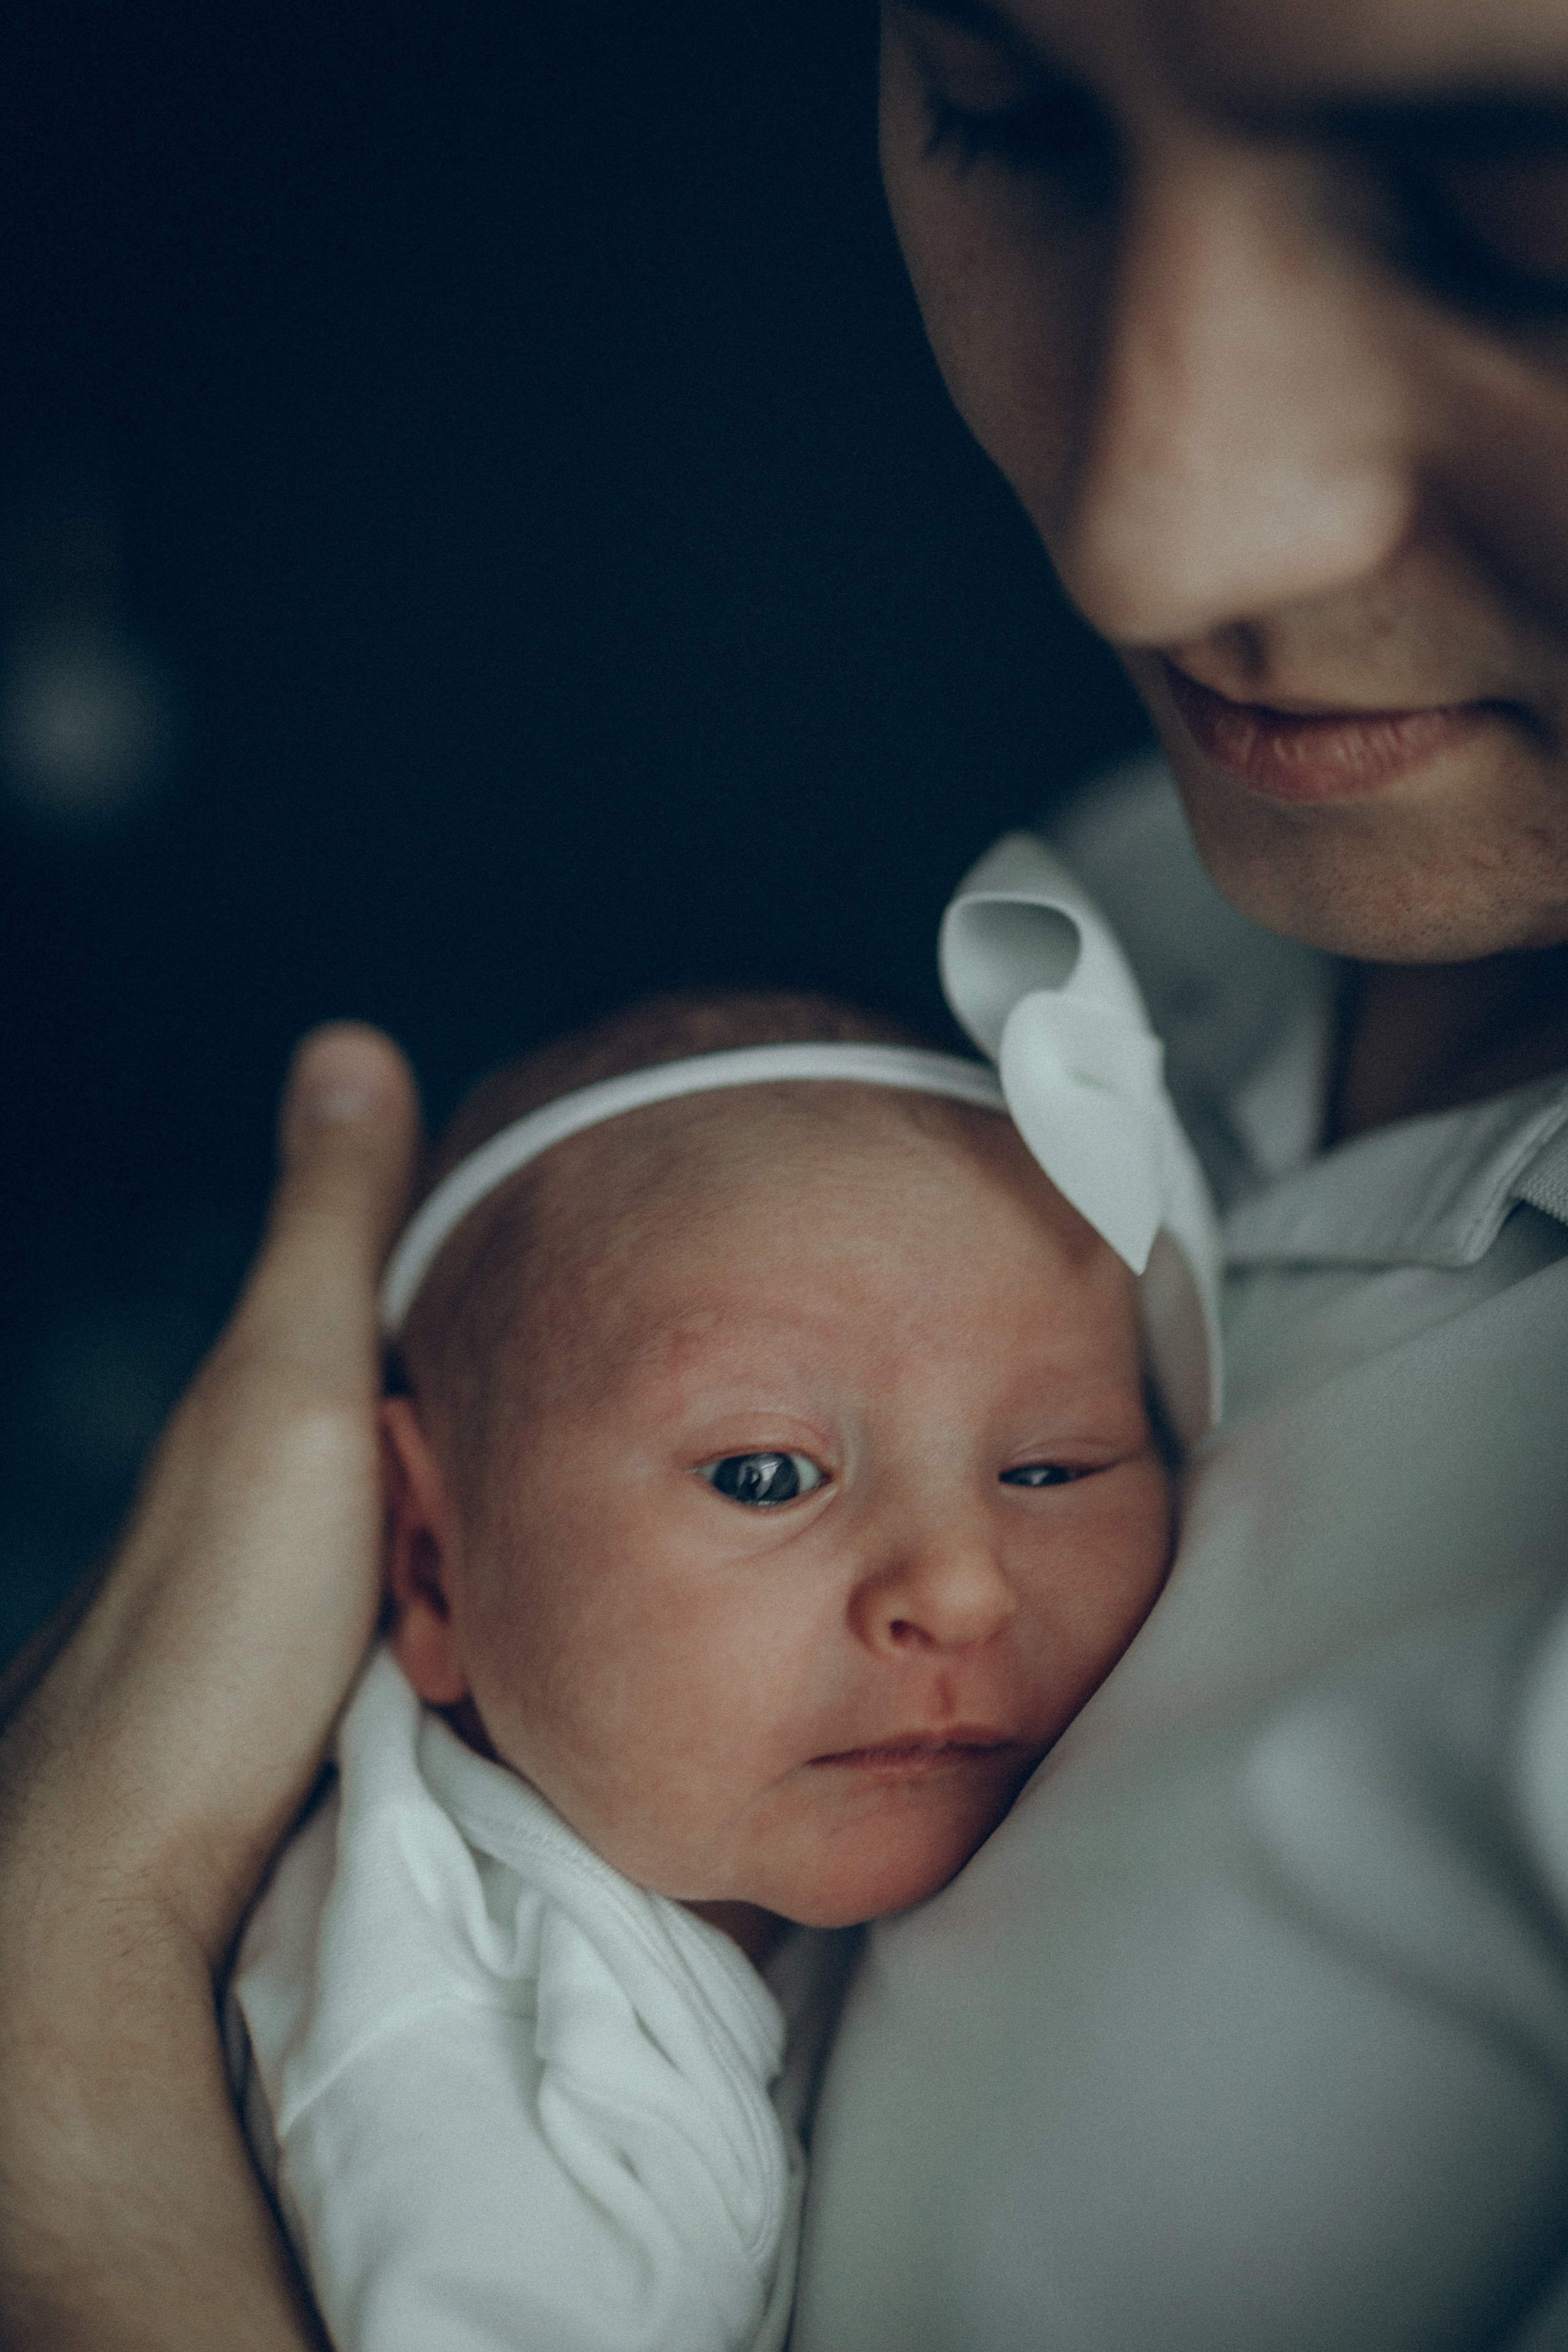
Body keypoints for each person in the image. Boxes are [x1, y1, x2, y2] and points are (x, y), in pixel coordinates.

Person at [4, 0, 1568, 2343]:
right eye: (1009, 121)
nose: (1147, 537)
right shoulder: (1131, 916)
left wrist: (65, 2021)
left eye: (1512, 218)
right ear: (421, 1547)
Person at [227, 966, 1194, 2352]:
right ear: (432, 1562)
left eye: (1047, 1468)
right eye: (762, 1473)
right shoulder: (474, 2054)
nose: (961, 1588)